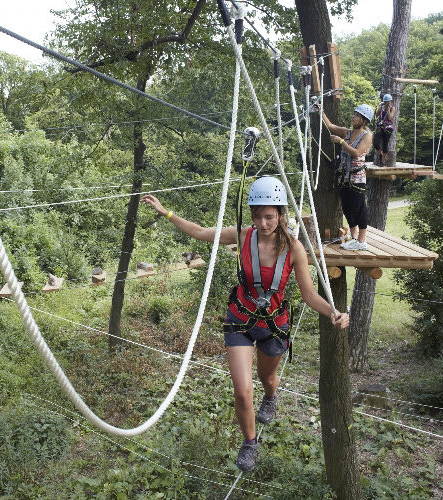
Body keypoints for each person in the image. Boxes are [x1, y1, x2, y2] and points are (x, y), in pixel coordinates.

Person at [140, 177, 349, 472]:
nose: (263, 223)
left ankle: (271, 396)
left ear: (280, 214)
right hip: (240, 320)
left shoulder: (294, 249)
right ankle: (250, 442)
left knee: (267, 378)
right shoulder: (242, 235)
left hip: (273, 326)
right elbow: (201, 232)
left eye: (269, 216)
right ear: (252, 215)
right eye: (258, 216)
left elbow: (309, 294)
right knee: (242, 390)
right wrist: (167, 213)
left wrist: (333, 312)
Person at [316, 104, 374, 251]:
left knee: (359, 207)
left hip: (357, 178)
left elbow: (357, 153)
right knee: (347, 207)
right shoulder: (347, 132)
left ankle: (361, 241)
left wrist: (341, 142)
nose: (353, 117)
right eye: (354, 114)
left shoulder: (366, 135)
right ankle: (354, 238)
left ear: (364, 120)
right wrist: (322, 111)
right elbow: (331, 126)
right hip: (344, 177)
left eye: (357, 116)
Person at [373, 93, 395, 165]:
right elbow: (376, 115)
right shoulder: (381, 107)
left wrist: (388, 109)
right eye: (386, 102)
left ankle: (383, 161)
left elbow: (390, 117)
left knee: (385, 144)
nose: (387, 103)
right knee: (375, 143)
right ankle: (380, 153)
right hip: (380, 127)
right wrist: (378, 108)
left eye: (388, 101)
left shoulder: (392, 108)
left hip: (388, 128)